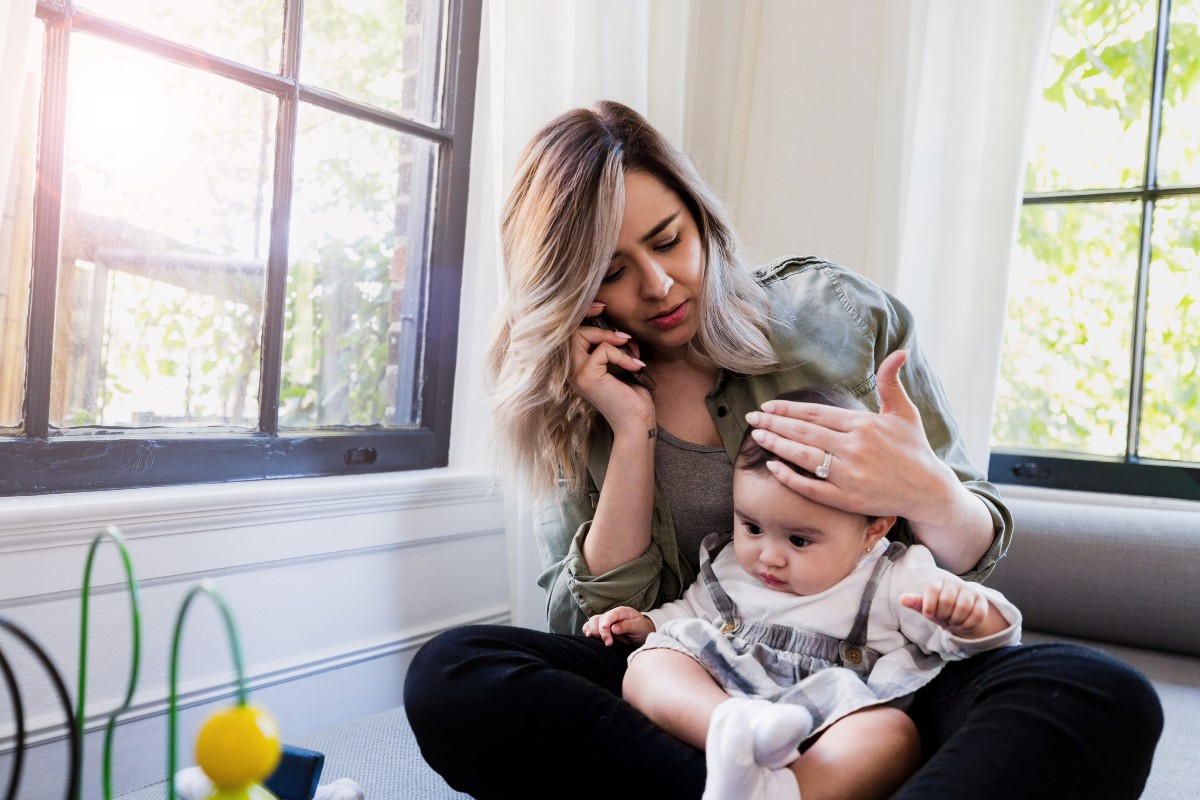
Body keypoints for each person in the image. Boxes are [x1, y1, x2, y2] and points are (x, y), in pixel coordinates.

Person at [404, 100, 1162, 800]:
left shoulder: (837, 316)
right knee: (453, 675)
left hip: (871, 679)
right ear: (567, 288)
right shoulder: (577, 399)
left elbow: (972, 555)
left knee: (1100, 695)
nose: (662, 284)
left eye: (668, 239)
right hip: (695, 681)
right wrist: (630, 436)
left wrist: (924, 490)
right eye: (611, 272)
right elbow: (596, 629)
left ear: (700, 217)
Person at [581, 385, 1022, 800]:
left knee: (892, 735)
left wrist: (969, 615)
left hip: (830, 720)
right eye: (752, 527)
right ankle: (731, 730)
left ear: (874, 528)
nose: (768, 556)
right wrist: (647, 625)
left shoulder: (893, 574)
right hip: (724, 697)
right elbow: (691, 614)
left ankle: (787, 792)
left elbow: (994, 637)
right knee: (649, 664)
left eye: (799, 540)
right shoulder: (733, 561)